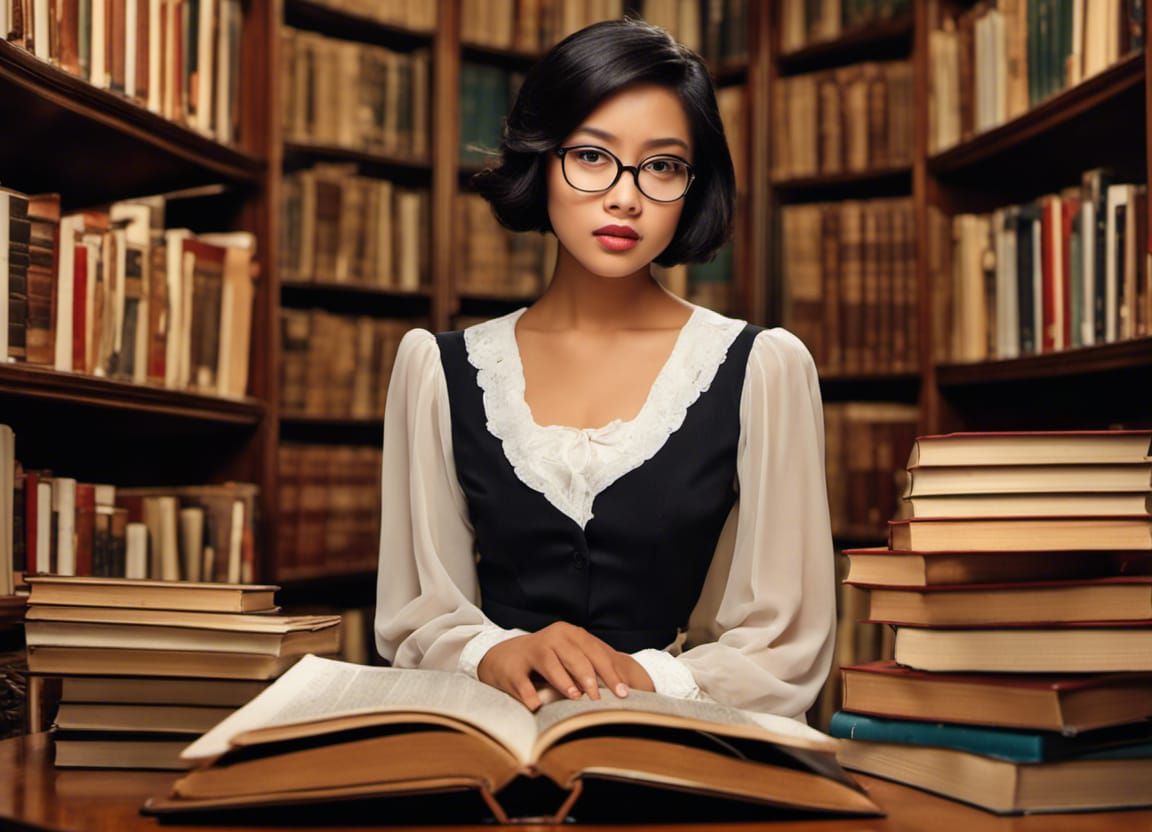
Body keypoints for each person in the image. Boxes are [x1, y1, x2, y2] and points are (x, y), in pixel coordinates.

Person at [375, 18, 835, 719]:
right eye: (592, 156)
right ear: (542, 158)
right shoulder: (439, 372)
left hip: (666, 740)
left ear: (692, 185)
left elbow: (784, 643)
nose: (625, 196)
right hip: (491, 740)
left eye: (662, 166)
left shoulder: (761, 370)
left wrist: (639, 676)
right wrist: (492, 652)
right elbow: (417, 615)